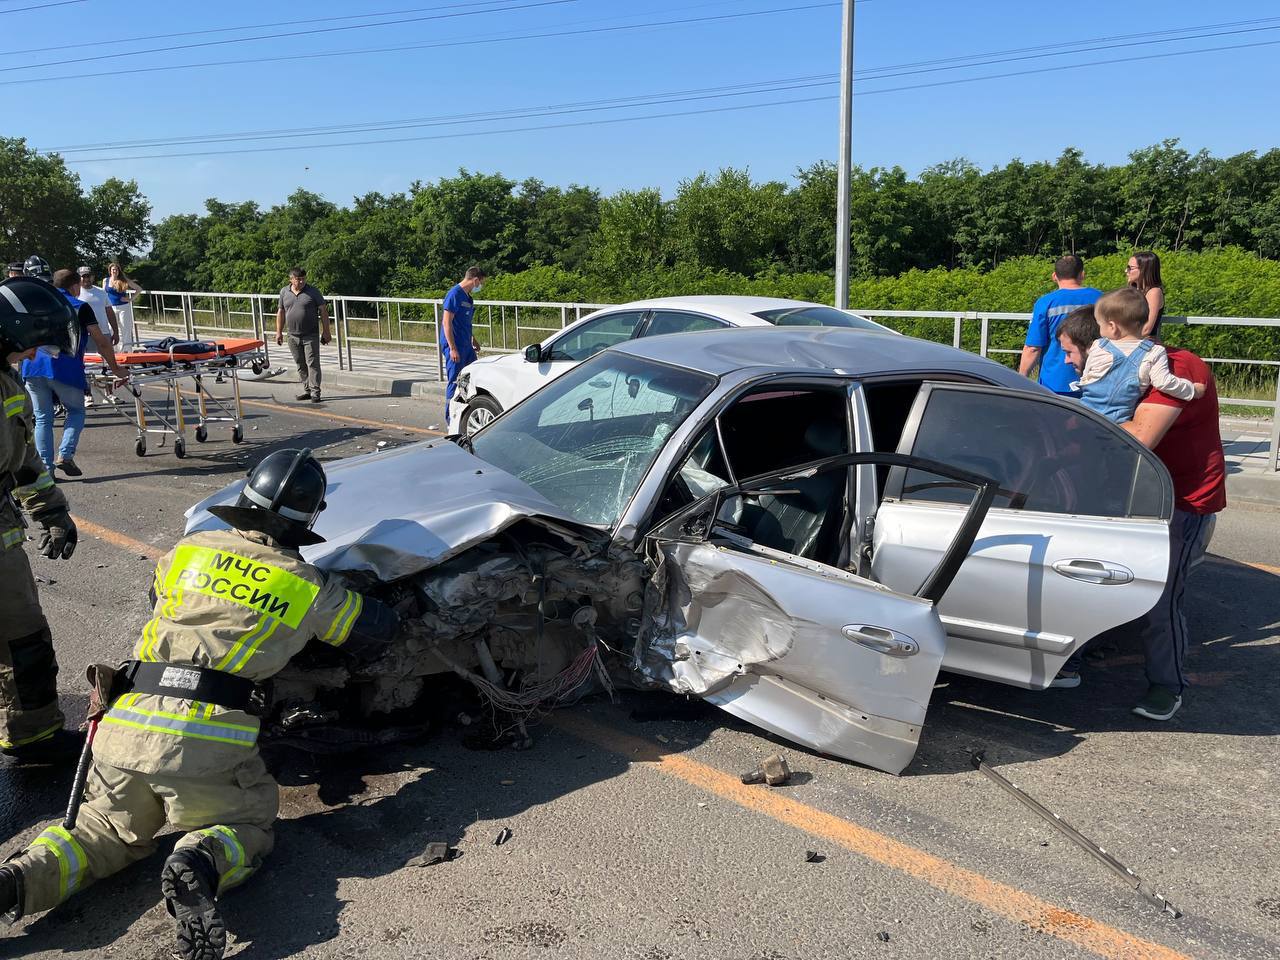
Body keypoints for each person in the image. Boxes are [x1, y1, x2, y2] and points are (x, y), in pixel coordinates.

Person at [0, 448, 401, 960]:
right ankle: (201, 858)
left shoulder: (188, 551)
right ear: (309, 519)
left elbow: (160, 603)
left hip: (123, 728)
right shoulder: (305, 586)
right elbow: (374, 631)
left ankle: (17, 881)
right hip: (206, 743)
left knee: (100, 829)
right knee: (247, 824)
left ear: (244, 496)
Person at [0, 275, 83, 764]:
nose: (33, 356)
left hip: (2, 544)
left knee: (26, 641)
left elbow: (25, 457)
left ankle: (35, 735)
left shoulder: (6, 381)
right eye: (31, 345)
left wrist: (52, 512)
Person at [1119, 346, 1225, 720]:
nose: (1066, 361)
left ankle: (1168, 685)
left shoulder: (1177, 365)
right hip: (1138, 495)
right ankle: (1076, 658)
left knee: (1162, 597)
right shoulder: (1112, 367)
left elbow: (1138, 437)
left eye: (1069, 352)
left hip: (1182, 500)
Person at [21, 268, 129, 477]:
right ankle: (66, 454)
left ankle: (46, 469)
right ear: (74, 286)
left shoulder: (37, 304)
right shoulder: (80, 307)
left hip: (32, 367)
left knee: (43, 418)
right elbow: (101, 342)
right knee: (76, 411)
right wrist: (115, 368)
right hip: (64, 369)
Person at [1068, 287, 1203, 423]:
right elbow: (1164, 383)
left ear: (1112, 326)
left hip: (1086, 416)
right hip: (1117, 424)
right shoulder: (1153, 351)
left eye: (1100, 324)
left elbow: (1086, 377)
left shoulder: (1098, 346)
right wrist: (1193, 390)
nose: (1100, 330)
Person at [1018, 254, 1102, 396]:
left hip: (1055, 383)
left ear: (1054, 276)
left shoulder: (1046, 303)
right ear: (1082, 275)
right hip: (1096, 378)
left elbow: (1033, 348)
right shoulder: (1101, 298)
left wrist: (1020, 380)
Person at [274, 267, 330, 403]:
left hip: (310, 335)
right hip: (292, 335)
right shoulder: (284, 292)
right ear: (291, 279)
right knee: (300, 363)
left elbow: (323, 311)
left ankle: (316, 392)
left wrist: (326, 331)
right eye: (298, 279)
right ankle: (307, 390)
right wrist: (278, 332)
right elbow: (281, 312)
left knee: (313, 363)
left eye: (303, 279)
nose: (301, 282)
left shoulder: (313, 292)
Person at [440, 265, 485, 416]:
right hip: (455, 346)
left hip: (466, 346)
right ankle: (450, 417)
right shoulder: (454, 294)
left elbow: (464, 322)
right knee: (455, 381)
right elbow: (447, 322)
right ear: (475, 280)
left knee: (471, 378)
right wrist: (452, 348)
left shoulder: (468, 298)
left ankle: (464, 412)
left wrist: (473, 339)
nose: (481, 286)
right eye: (481, 282)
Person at [74, 266, 122, 407]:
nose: (86, 279)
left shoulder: (101, 293)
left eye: (88, 276)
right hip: (85, 334)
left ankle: (109, 393)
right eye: (83, 276)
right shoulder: (76, 294)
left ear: (92, 277)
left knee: (107, 362)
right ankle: (87, 394)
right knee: (86, 365)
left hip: (103, 332)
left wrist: (116, 331)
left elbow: (109, 312)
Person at [103, 262, 143, 350]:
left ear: (119, 271)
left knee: (125, 329)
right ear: (110, 271)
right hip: (111, 307)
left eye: (117, 270)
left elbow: (139, 289)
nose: (115, 271)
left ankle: (127, 350)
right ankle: (113, 350)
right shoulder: (106, 280)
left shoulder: (124, 280)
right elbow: (104, 294)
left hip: (123, 307)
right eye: (113, 270)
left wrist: (130, 299)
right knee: (111, 329)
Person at [1126, 250, 1164, 339]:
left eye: (1130, 268)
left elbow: (1146, 329)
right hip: (1130, 341)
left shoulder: (1154, 292)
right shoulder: (1133, 290)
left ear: (1144, 269)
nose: (1126, 271)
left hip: (1144, 343)